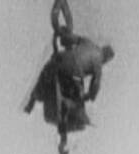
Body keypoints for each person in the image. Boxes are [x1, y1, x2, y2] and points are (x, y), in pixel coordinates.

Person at [24, 3, 114, 133]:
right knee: (78, 85)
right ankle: (71, 107)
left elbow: (68, 39)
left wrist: (63, 35)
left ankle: (32, 101)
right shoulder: (98, 63)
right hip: (74, 71)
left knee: (47, 72)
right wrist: (91, 96)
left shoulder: (89, 42)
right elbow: (95, 85)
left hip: (61, 60)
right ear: (105, 58)